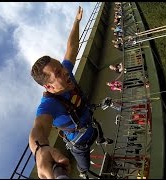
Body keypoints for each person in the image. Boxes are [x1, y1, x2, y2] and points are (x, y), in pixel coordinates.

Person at [29, 6, 113, 179]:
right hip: (79, 142)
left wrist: (76, 21)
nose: (66, 72)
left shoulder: (66, 72)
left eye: (60, 67)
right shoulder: (49, 105)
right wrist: (40, 150)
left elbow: (72, 48)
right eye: (58, 73)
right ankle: (83, 172)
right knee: (83, 163)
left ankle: (101, 140)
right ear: (49, 87)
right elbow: (39, 129)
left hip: (91, 123)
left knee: (98, 132)